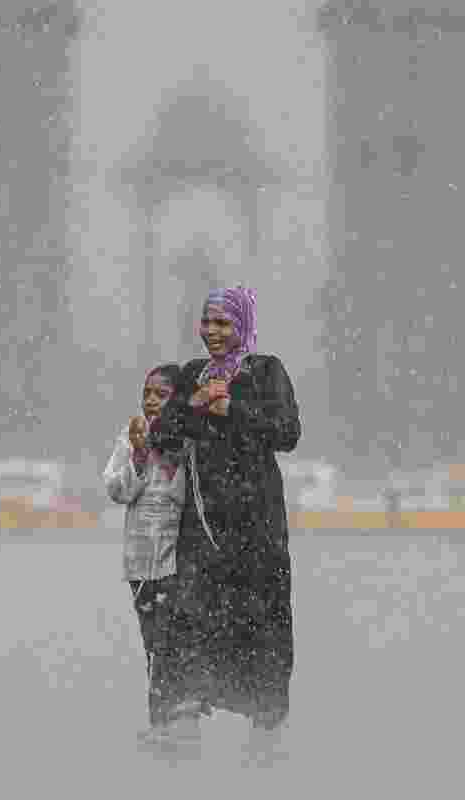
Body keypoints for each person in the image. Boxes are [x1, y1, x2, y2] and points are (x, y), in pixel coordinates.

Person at [147, 285, 301, 764]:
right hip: (203, 527)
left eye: (223, 323)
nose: (212, 332)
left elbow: (287, 433)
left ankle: (266, 734)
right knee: (192, 620)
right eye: (207, 322)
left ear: (242, 325)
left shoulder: (265, 372)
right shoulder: (191, 376)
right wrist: (194, 405)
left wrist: (232, 409)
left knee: (262, 623)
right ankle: (183, 730)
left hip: (257, 528)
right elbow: (162, 433)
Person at [102, 364, 192, 748]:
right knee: (154, 643)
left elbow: (190, 496)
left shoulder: (190, 440)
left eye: (162, 393)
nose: (151, 400)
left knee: (175, 641)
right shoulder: (130, 436)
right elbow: (117, 490)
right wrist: (139, 458)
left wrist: (169, 456)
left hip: (179, 560)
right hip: (141, 561)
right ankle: (161, 722)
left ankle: (181, 719)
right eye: (148, 392)